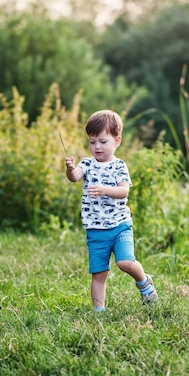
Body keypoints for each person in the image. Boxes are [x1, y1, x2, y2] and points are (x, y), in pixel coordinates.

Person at [65, 109, 158, 311]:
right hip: (95, 229)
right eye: (92, 142)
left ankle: (144, 282)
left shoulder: (119, 166)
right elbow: (74, 177)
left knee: (125, 262)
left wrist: (105, 190)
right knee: (99, 274)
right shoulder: (87, 164)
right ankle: (99, 312)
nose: (97, 146)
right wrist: (70, 169)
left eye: (103, 141)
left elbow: (124, 191)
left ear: (117, 141)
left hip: (119, 226)